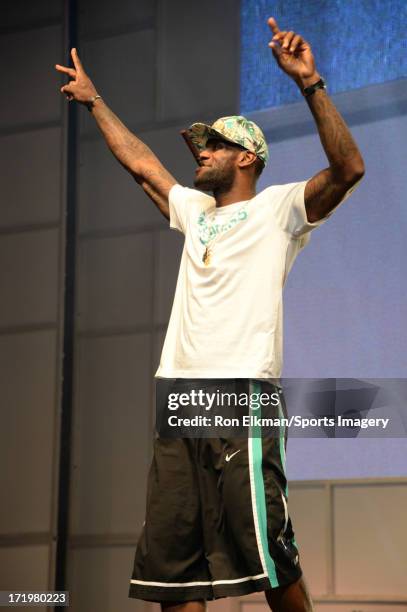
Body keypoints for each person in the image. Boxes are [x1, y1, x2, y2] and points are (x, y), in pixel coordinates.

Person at [56, 16, 364, 612]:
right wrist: (95, 103)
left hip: (239, 392)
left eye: (216, 144)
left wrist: (311, 84)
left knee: (269, 554)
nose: (204, 151)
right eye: (203, 145)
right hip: (177, 395)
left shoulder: (279, 209)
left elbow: (349, 169)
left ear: (247, 157)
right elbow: (142, 163)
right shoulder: (195, 211)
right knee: (175, 572)